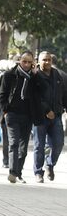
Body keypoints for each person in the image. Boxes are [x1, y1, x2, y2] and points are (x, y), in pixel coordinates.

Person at [0, 50, 41, 184]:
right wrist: (5, 111)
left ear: (33, 63)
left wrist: (36, 75)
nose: (27, 65)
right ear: (19, 61)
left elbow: (42, 91)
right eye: (24, 61)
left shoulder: (34, 78)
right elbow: (2, 94)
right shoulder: (9, 75)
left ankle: (18, 172)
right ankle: (12, 171)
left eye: (30, 62)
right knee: (14, 143)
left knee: (23, 147)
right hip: (12, 114)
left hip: (28, 116)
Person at [33, 51, 66, 183]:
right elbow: (35, 97)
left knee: (58, 144)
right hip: (40, 116)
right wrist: (46, 110)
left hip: (56, 115)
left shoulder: (57, 75)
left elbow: (64, 93)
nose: (47, 62)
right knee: (39, 145)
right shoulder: (34, 76)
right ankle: (38, 172)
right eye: (44, 60)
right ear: (38, 61)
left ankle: (50, 164)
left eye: (49, 60)